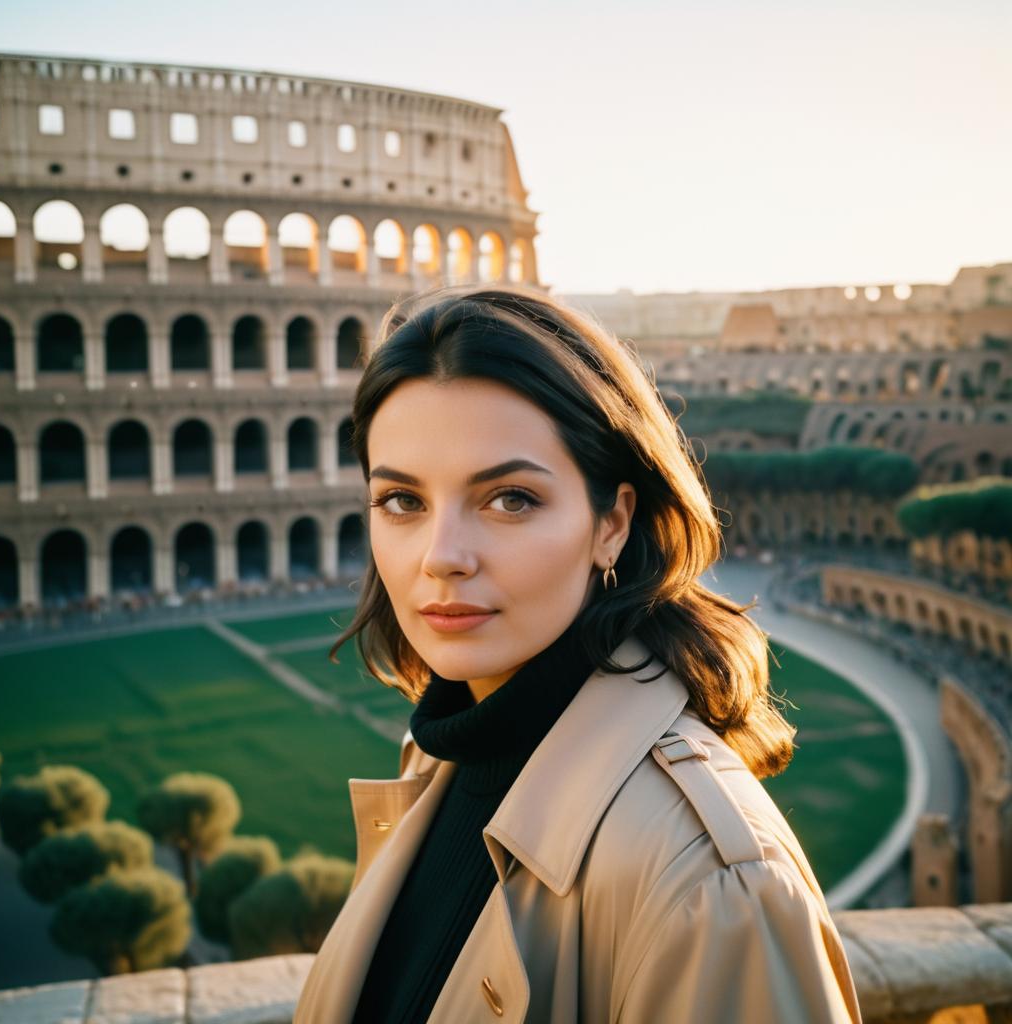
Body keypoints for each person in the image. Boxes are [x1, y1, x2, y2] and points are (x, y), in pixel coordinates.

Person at [293, 283, 862, 1024]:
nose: (442, 557)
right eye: (403, 501)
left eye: (511, 500)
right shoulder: (434, 758)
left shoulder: (715, 884)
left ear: (612, 523)